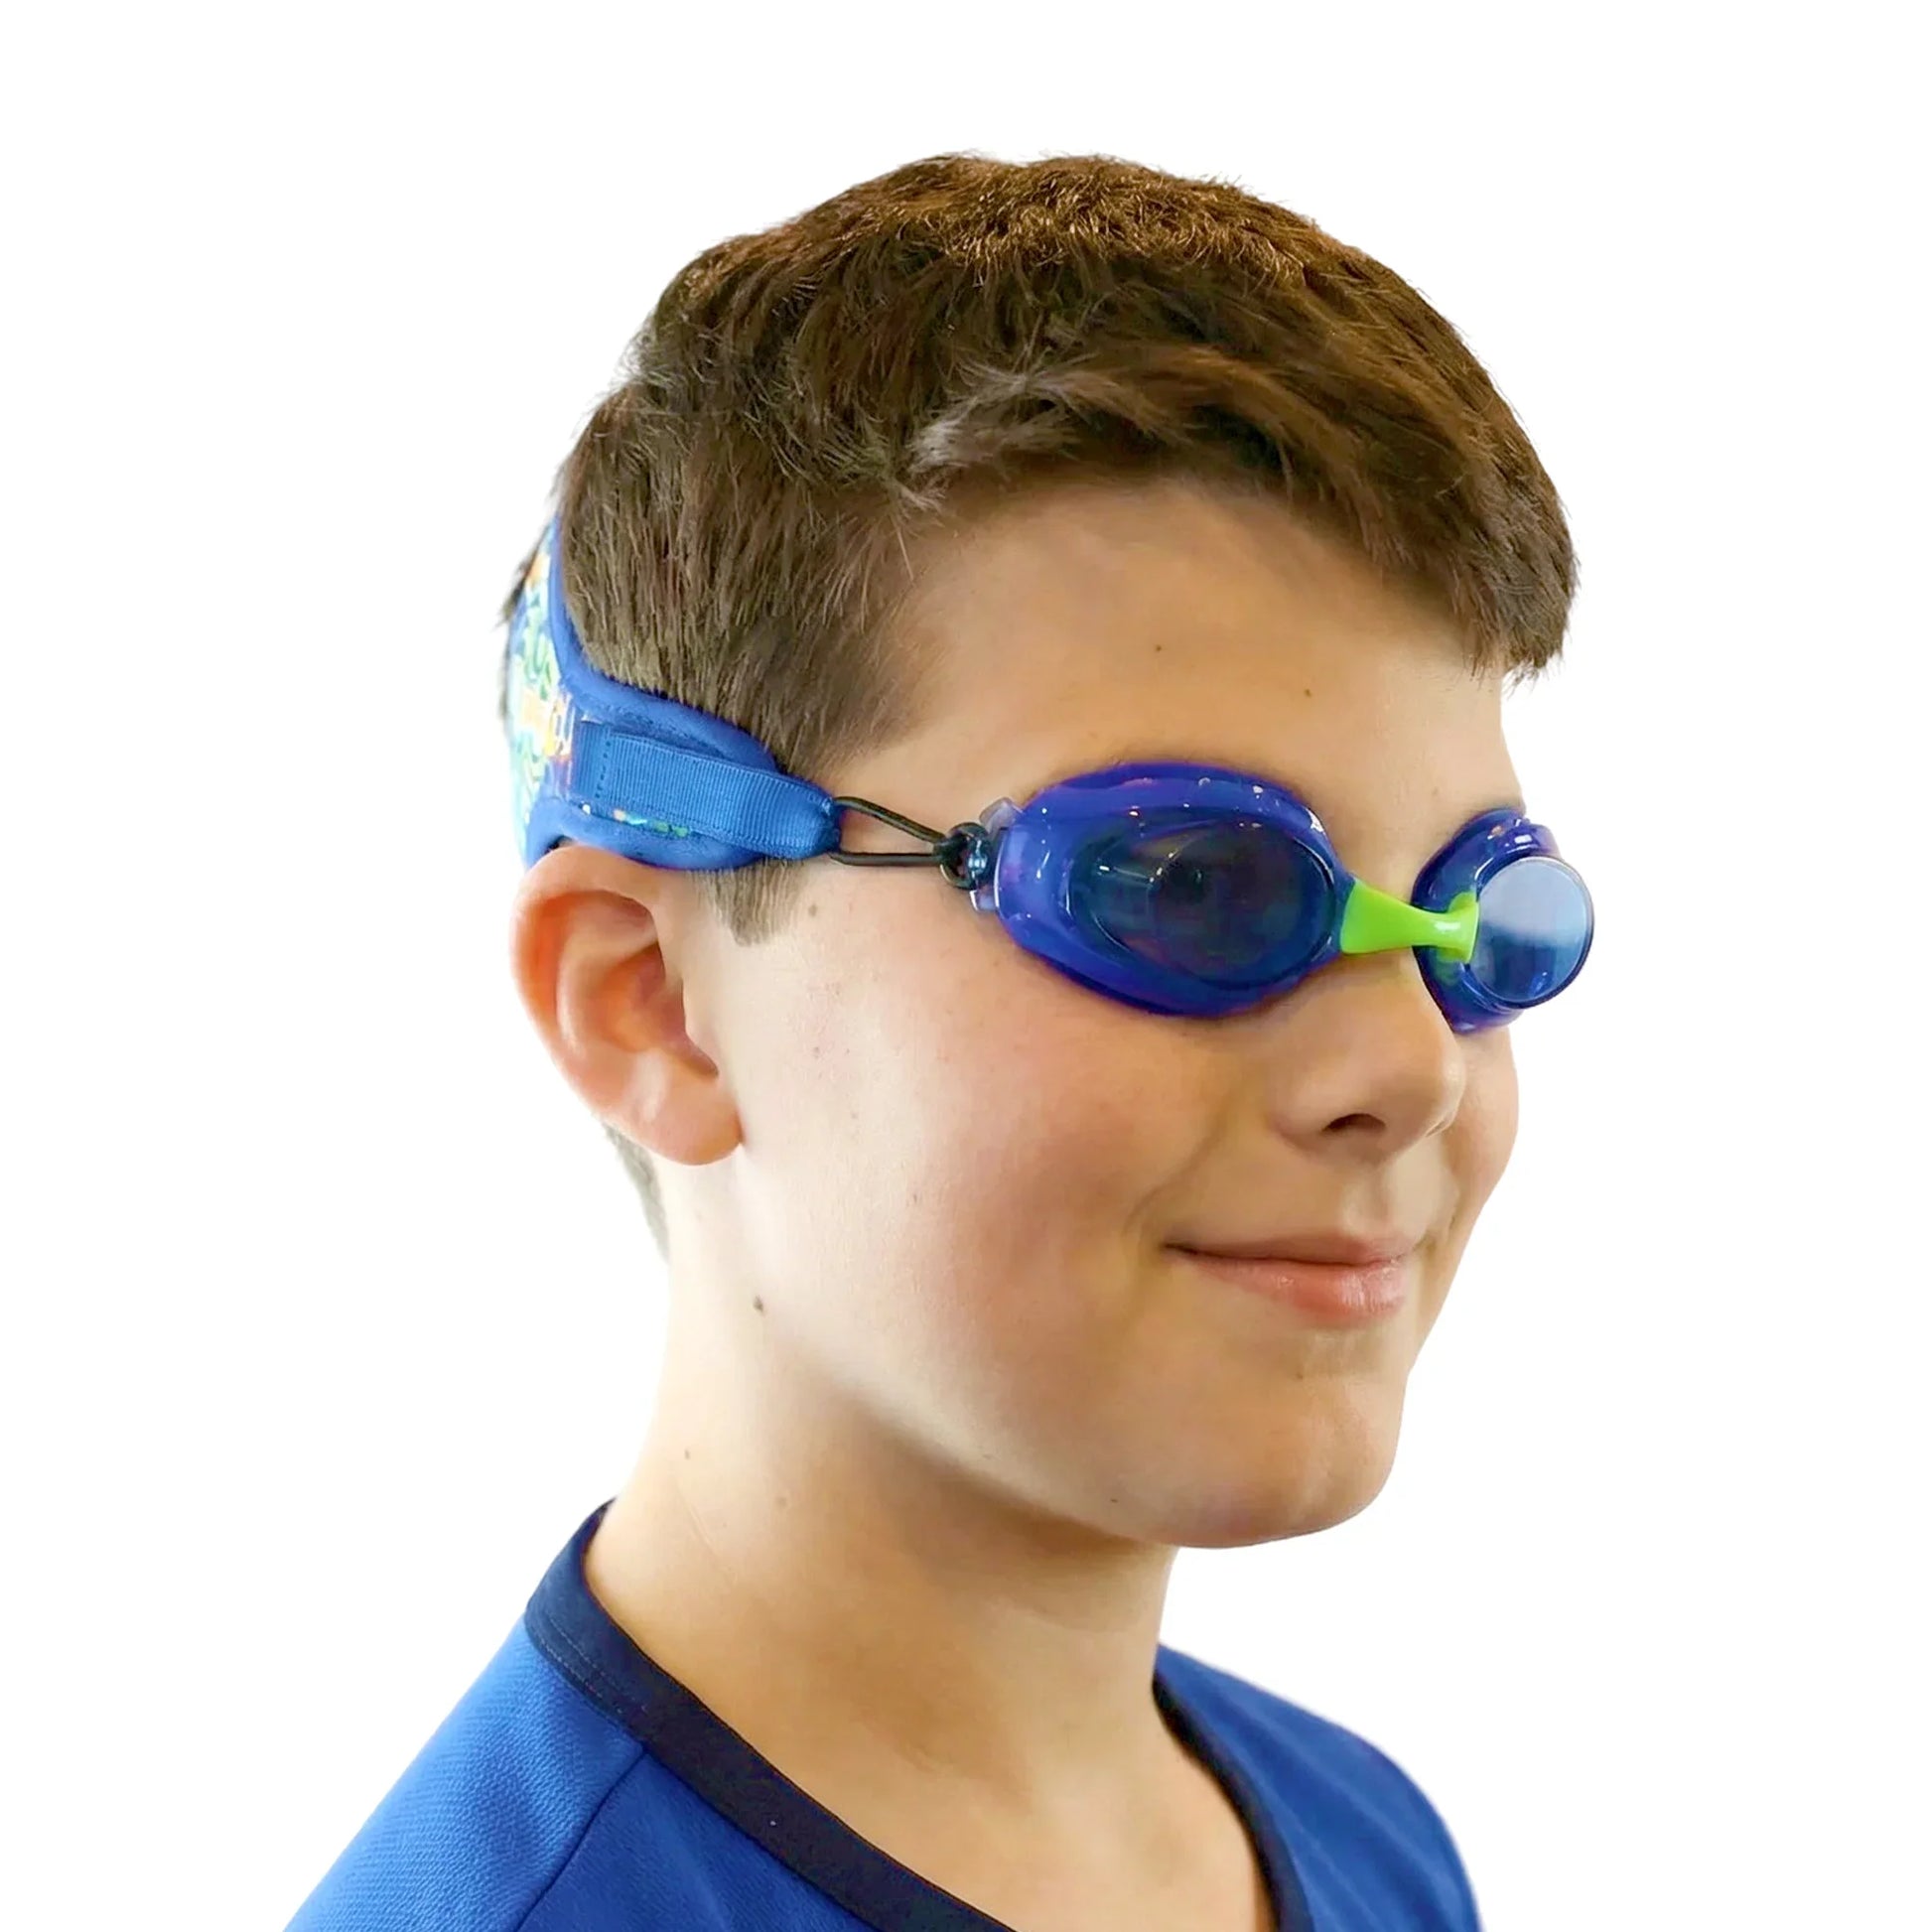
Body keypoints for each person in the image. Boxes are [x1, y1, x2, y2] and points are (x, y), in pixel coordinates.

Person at [286, 150, 1592, 1932]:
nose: (1412, 1067)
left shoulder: (1364, 1841)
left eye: (1483, 920)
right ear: (650, 1001)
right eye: (1189, 888)